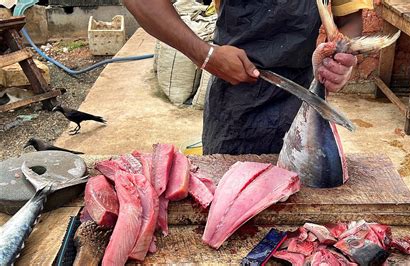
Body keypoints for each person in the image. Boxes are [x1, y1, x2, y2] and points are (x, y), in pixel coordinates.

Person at [124, 0, 372, 155]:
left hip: (301, 104)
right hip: (234, 107)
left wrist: (340, 60)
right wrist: (205, 55)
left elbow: (349, 18)